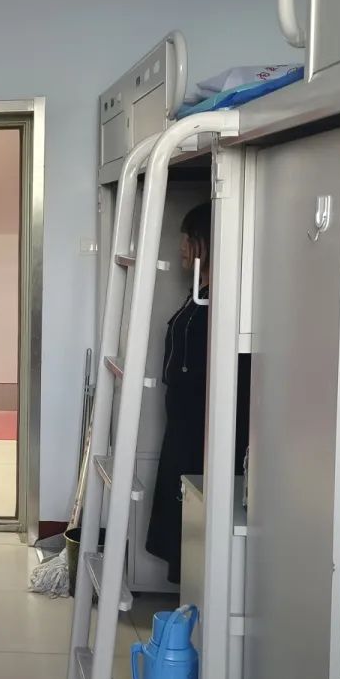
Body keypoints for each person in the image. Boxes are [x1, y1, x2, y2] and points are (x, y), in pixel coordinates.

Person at [146, 202, 212, 584]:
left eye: (189, 238)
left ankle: (197, 602)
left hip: (200, 429)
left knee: (193, 511)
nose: (181, 247)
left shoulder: (220, 298)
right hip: (182, 425)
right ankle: (190, 601)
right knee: (178, 511)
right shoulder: (197, 294)